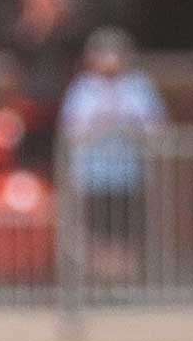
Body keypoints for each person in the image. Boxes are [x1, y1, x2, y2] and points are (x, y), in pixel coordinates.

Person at [59, 27, 167, 266]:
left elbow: (155, 128)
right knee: (96, 236)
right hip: (93, 177)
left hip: (128, 176)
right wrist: (100, 126)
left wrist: (129, 128)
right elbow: (71, 130)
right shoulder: (82, 89)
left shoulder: (139, 87)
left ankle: (124, 284)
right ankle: (101, 284)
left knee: (125, 235)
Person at [4, 0, 86, 170]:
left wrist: (56, 11)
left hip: (62, 111)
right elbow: (14, 71)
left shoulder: (69, 24)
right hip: (30, 112)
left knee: (61, 171)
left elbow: (77, 61)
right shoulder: (15, 24)